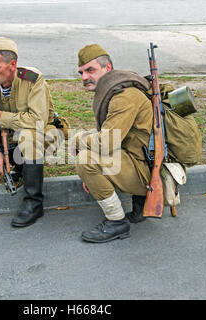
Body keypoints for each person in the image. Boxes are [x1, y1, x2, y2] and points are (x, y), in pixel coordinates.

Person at [0, 37, 61, 228]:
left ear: (12, 65)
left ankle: (34, 202)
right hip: (9, 141)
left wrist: (1, 116)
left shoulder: (32, 79)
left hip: (43, 135)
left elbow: (37, 120)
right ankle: (20, 165)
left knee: (28, 136)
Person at [73, 44, 153, 243]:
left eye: (90, 70)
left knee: (85, 159)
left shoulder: (123, 97)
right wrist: (91, 176)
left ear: (107, 68)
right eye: (81, 72)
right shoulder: (115, 88)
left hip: (148, 173)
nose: (84, 77)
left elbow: (106, 144)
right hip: (141, 160)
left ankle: (116, 222)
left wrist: (78, 141)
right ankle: (140, 205)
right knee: (89, 155)